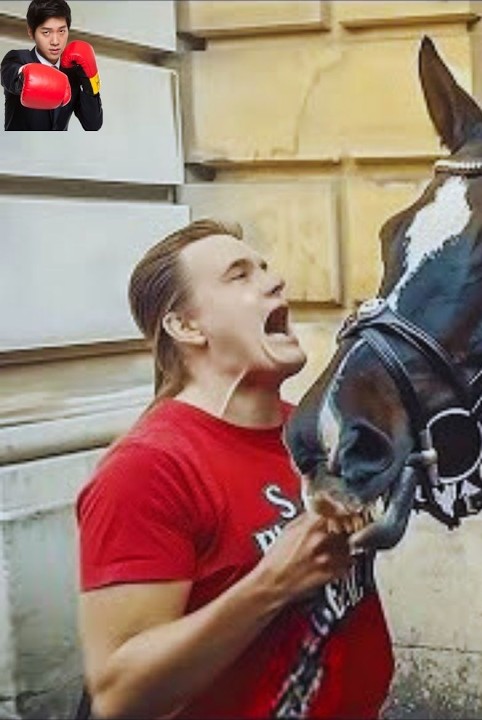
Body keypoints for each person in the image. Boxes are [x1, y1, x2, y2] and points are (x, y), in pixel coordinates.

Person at [75, 219, 393, 718]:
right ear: (186, 326)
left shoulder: (315, 435)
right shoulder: (148, 469)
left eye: (265, 268)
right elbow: (119, 693)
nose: (273, 281)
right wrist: (274, 583)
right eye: (239, 275)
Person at [1, 0, 102, 131]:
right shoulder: (18, 59)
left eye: (61, 31)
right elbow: (10, 76)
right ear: (31, 32)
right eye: (46, 32)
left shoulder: (72, 72)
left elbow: (93, 125)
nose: (55, 42)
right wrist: (24, 77)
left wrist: (90, 83)